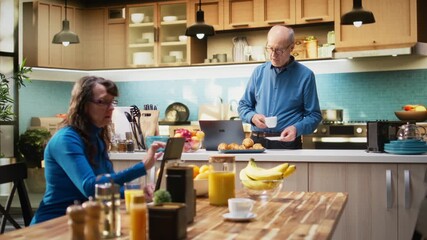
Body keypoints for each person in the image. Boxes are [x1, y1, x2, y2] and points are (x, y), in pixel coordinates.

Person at [30, 76, 165, 224]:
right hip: (54, 224)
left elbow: (108, 190)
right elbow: (91, 189)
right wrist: (142, 167)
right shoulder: (66, 140)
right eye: (102, 102)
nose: (111, 108)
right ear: (83, 105)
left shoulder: (96, 137)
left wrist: (135, 194)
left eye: (111, 102)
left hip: (86, 220)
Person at [238, 25, 322, 149]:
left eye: (279, 50)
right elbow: (243, 105)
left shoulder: (306, 76)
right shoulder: (258, 72)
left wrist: (296, 128)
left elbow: (314, 115)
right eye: (270, 48)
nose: (273, 55)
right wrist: (252, 117)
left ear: (291, 47)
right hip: (256, 143)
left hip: (288, 143)